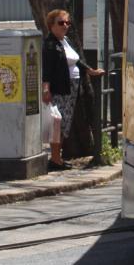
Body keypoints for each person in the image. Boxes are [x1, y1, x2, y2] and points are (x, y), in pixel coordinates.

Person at [41, 9, 105, 170]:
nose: (65, 26)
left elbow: (77, 60)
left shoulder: (66, 40)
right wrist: (46, 88)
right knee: (58, 123)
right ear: (51, 25)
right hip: (60, 87)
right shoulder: (50, 44)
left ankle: (58, 158)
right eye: (61, 23)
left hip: (72, 87)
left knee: (65, 124)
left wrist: (90, 70)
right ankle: (55, 159)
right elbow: (47, 69)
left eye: (67, 23)